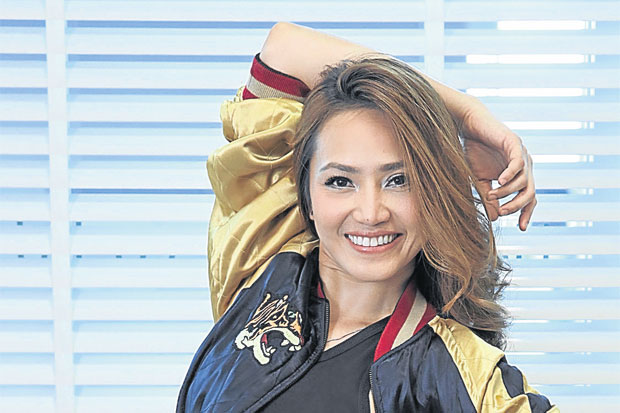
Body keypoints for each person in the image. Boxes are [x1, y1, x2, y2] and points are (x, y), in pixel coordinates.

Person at [176, 23, 555, 412]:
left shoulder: (464, 376)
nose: (371, 213)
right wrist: (466, 114)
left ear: (432, 193)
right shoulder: (263, 254)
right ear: (305, 194)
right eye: (340, 181)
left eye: (399, 180)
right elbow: (284, 48)